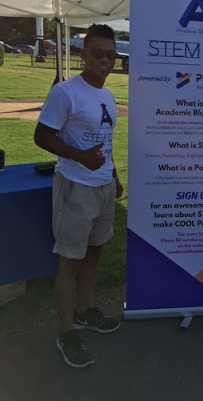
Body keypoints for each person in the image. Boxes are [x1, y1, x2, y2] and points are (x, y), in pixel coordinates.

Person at [34, 24, 124, 368]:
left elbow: (105, 141)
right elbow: (42, 136)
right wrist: (80, 157)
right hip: (75, 186)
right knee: (69, 262)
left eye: (110, 55)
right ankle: (66, 331)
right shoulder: (66, 92)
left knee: (94, 254)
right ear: (83, 54)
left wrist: (113, 175)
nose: (104, 60)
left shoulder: (107, 95)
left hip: (101, 186)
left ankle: (85, 311)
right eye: (97, 53)